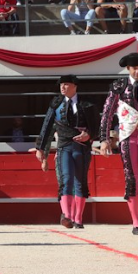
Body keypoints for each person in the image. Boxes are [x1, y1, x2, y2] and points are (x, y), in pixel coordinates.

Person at [99, 53, 138, 235]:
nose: (137, 71)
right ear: (128, 69)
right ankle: (136, 222)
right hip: (127, 138)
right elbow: (107, 113)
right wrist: (104, 140)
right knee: (132, 180)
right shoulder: (119, 86)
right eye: (134, 68)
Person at [35, 75, 99, 229]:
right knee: (66, 179)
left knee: (80, 181)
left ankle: (78, 218)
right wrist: (41, 148)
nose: (62, 88)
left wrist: (89, 135)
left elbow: (96, 125)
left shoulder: (87, 104)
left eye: (66, 85)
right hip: (64, 145)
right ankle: (67, 216)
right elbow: (47, 126)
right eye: (61, 85)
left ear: (74, 86)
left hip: (81, 147)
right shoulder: (56, 103)